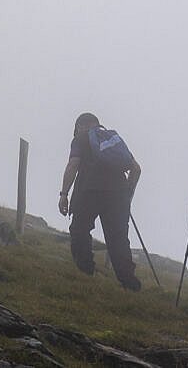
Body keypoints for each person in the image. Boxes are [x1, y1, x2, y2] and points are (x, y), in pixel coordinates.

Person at [58, 112, 142, 291]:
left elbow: (73, 165)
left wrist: (64, 194)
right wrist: (127, 193)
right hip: (118, 196)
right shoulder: (113, 141)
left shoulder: (81, 139)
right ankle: (130, 284)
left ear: (81, 126)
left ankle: (85, 272)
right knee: (118, 239)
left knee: (79, 230)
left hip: (89, 192)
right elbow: (136, 168)